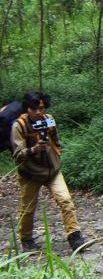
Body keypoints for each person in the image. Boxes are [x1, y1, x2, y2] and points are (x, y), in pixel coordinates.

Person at [11, 91, 90, 254]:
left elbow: (56, 139)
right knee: (28, 209)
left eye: (41, 108)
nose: (39, 112)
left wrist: (56, 149)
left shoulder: (49, 120)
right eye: (34, 109)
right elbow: (17, 154)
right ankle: (26, 240)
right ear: (27, 108)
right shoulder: (18, 126)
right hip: (30, 174)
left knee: (66, 200)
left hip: (52, 170)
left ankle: (75, 237)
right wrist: (32, 149)